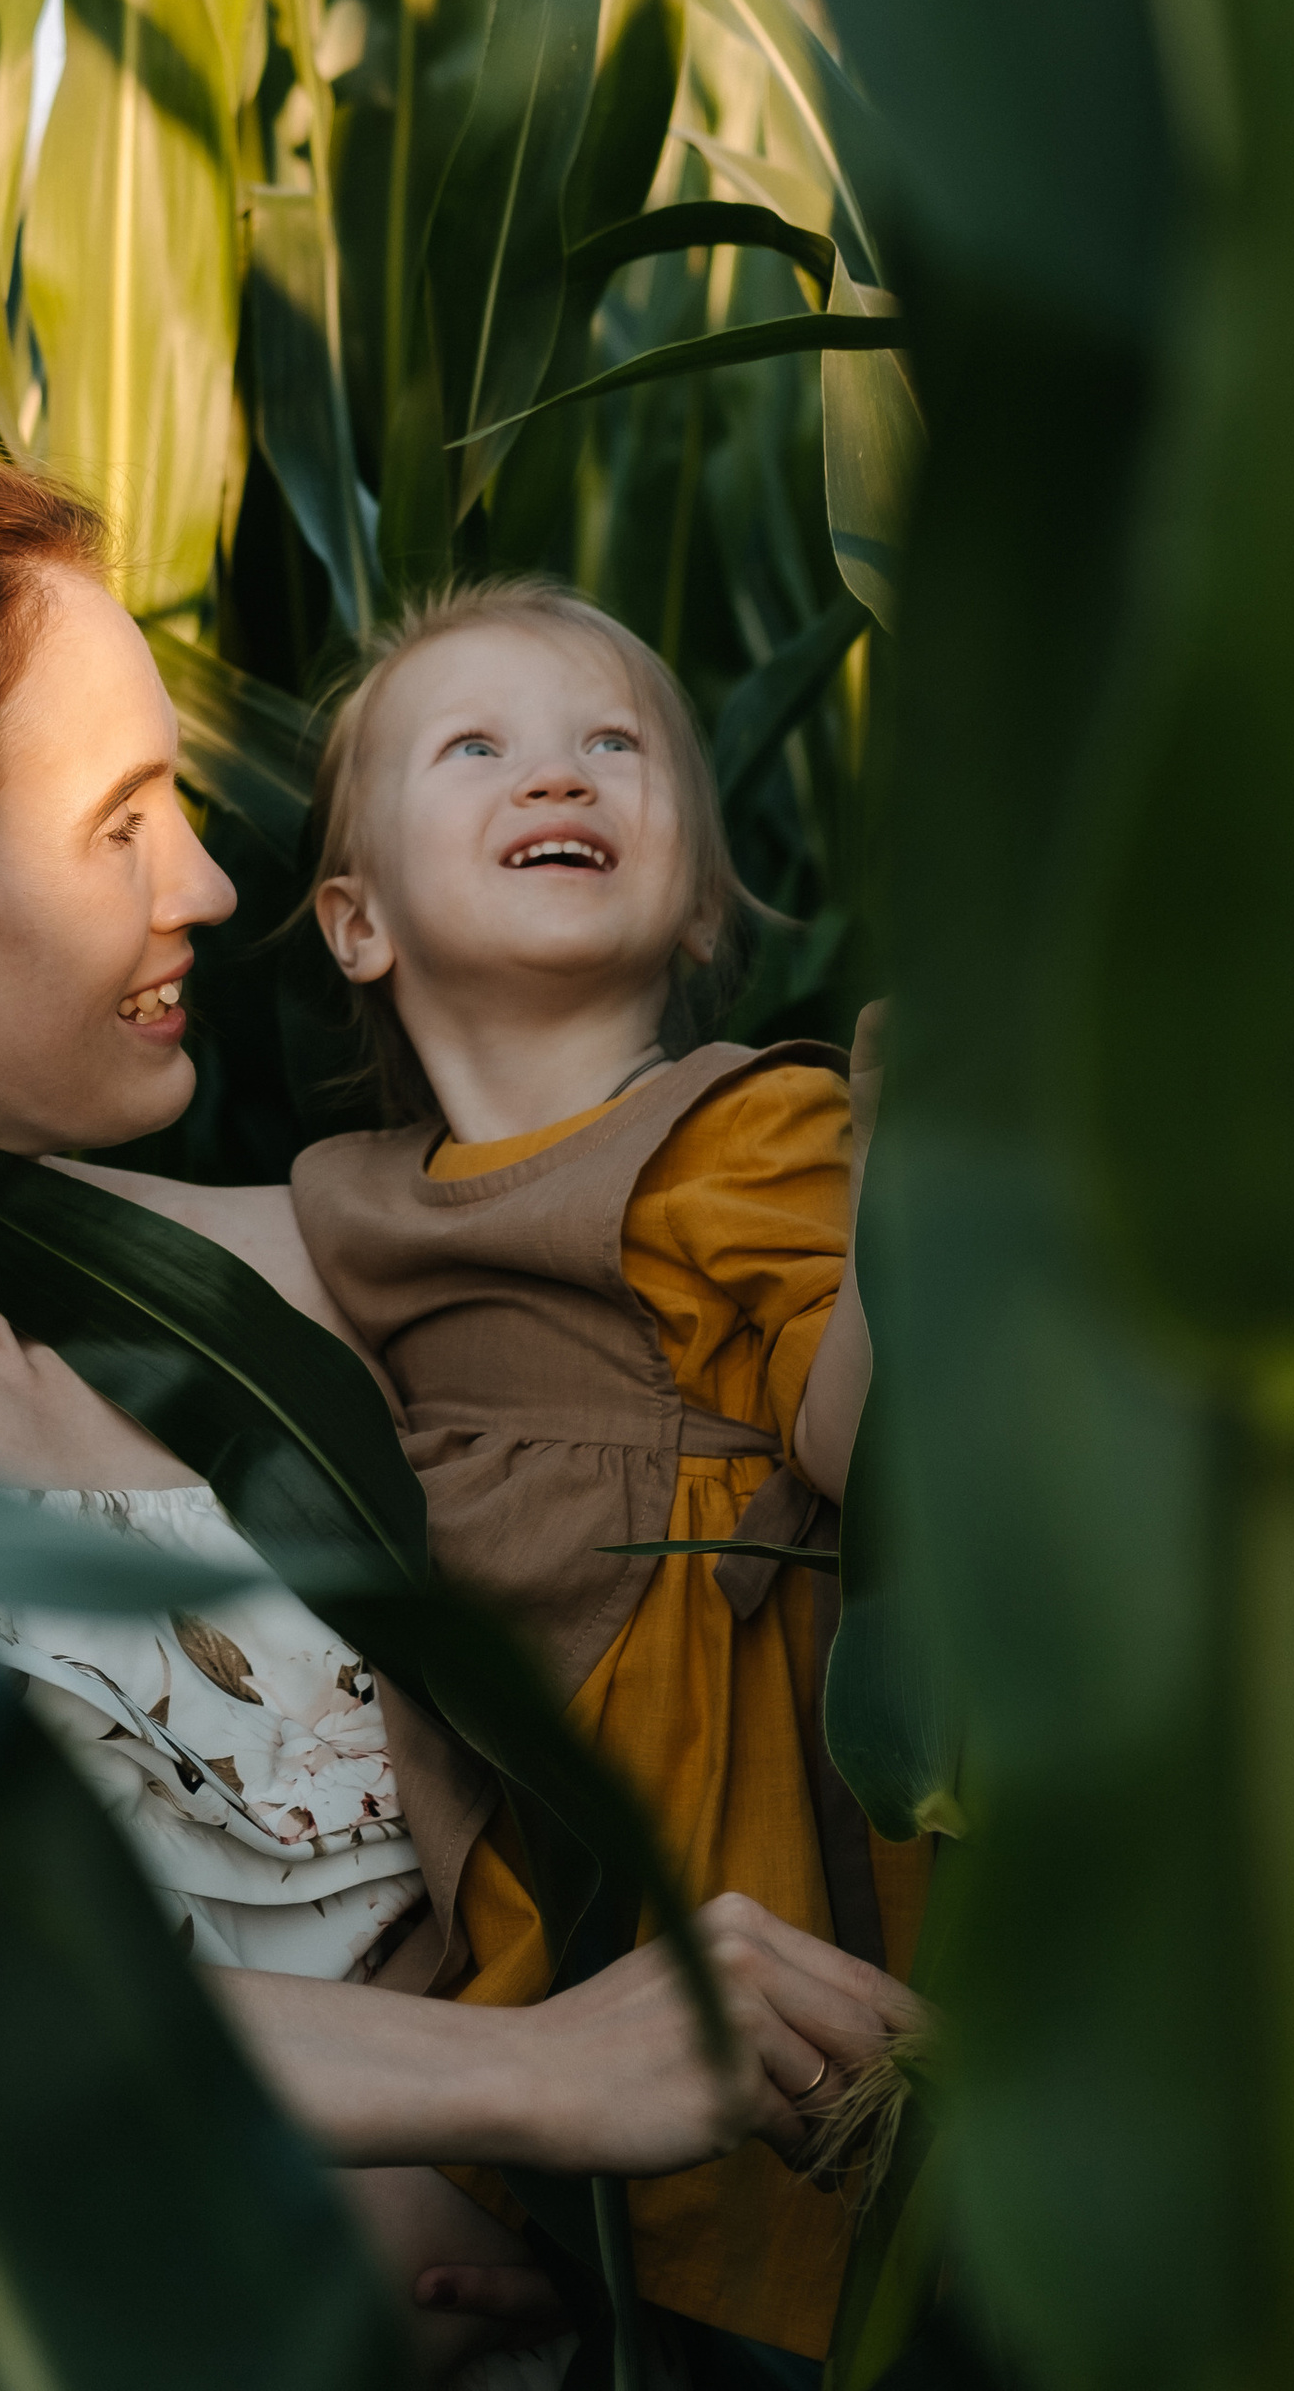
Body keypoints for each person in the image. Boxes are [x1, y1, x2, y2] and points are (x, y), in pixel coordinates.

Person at [0, 457, 919, 2383]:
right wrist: (528, 2081)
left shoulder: (302, 1292)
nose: (210, 886)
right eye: (121, 825)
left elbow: (823, 1395)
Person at [265, 576, 927, 2375]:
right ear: (354, 919)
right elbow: (53, 1230)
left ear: (701, 897)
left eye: (612, 748)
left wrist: (911, 1207)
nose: (555, 776)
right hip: (533, 1962)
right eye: (476, 748)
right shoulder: (362, 1199)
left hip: (759, 1914)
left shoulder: (751, 1133)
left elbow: (878, 1452)